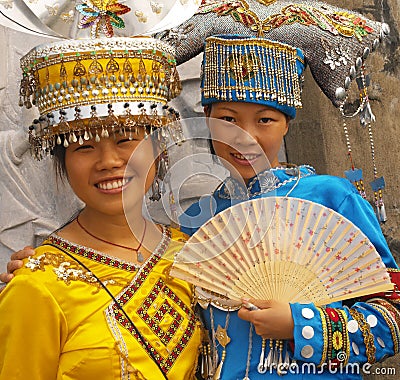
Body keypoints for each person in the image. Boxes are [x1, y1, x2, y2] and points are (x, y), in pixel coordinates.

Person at [178, 35, 400, 379]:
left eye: (264, 120)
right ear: (206, 117)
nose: (244, 136)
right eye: (228, 119)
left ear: (287, 123)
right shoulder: (195, 223)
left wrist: (301, 325)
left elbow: (394, 315)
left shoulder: (331, 199)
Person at [0, 36, 201, 379]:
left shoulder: (195, 258)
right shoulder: (37, 285)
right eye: (83, 147)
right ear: (62, 162)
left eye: (125, 140)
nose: (109, 161)